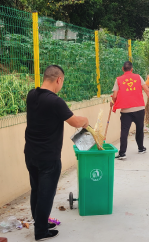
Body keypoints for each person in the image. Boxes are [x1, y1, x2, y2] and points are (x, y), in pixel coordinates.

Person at [24, 65, 89, 241]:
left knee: (36, 190)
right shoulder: (55, 101)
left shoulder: (32, 95)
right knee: (46, 193)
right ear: (59, 79)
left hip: (30, 153)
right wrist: (86, 120)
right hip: (48, 156)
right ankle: (41, 232)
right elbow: (74, 121)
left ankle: (40, 223)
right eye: (62, 82)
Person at [112, 61, 149, 159]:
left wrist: (114, 102)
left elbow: (115, 95)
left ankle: (122, 153)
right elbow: (147, 90)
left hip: (126, 111)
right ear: (132, 69)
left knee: (124, 131)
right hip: (139, 109)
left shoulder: (119, 79)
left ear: (123, 69)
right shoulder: (138, 77)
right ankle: (141, 148)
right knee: (139, 129)